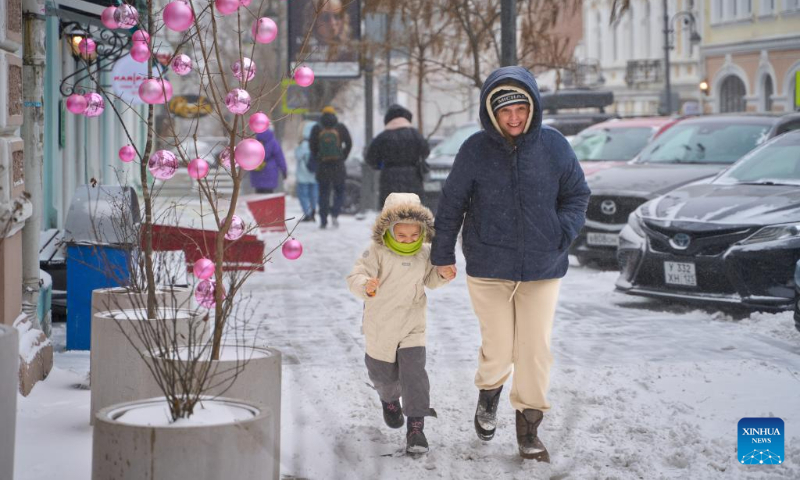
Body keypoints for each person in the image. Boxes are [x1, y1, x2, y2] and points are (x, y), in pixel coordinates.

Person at [430, 66, 590, 462]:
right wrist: (442, 255)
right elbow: (452, 204)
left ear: (533, 106)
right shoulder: (474, 150)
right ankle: (489, 394)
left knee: (535, 351)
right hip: (488, 266)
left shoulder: (554, 146)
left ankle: (528, 427)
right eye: (505, 111)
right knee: (499, 349)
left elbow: (577, 195)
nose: (514, 117)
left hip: (543, 266)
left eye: (520, 107)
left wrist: (561, 232)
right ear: (492, 112)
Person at [346, 192, 454, 456]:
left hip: (412, 324)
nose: (409, 240)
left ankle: (416, 428)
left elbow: (430, 279)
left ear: (422, 232)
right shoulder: (376, 252)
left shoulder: (425, 253)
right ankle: (389, 399)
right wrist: (366, 286)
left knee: (415, 375)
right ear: (388, 230)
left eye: (414, 236)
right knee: (383, 375)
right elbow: (356, 275)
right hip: (380, 324)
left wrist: (442, 274)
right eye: (402, 236)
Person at [366, 104, 430, 209]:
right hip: (412, 178)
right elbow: (425, 151)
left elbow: (370, 158)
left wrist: (380, 165)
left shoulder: (382, 137)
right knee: (412, 213)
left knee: (391, 214)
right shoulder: (415, 134)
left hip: (389, 179)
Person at [309, 106, 352, 229]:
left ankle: (323, 220)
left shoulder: (316, 128)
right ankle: (335, 213)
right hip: (338, 165)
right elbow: (349, 143)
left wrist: (319, 157)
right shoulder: (340, 127)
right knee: (339, 191)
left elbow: (312, 147)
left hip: (323, 166)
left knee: (323, 193)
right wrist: (343, 155)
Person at [294, 122, 319, 222]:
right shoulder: (316, 145)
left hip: (303, 175)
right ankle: (313, 211)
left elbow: (297, 156)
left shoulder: (303, 145)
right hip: (314, 175)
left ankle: (307, 213)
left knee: (303, 195)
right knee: (314, 194)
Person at [250, 128, 287, 194]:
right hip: (270, 173)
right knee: (269, 196)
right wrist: (284, 170)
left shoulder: (255, 143)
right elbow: (280, 158)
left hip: (258, 173)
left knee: (258, 197)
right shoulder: (274, 143)